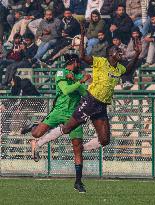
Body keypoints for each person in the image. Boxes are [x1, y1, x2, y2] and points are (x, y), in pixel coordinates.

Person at [27, 23, 141, 170]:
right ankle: (39, 143)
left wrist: (137, 54)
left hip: (102, 105)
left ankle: (81, 149)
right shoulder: (101, 62)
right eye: (117, 50)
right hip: (91, 100)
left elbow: (129, 69)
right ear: (110, 53)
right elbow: (82, 56)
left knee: (105, 140)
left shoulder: (119, 68)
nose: (120, 52)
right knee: (67, 128)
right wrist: (82, 36)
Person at [22, 53, 91, 193]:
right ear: (74, 62)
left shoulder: (77, 76)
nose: (80, 65)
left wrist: (87, 85)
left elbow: (85, 93)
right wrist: (80, 82)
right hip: (58, 111)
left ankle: (78, 182)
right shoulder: (61, 72)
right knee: (36, 134)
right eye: (78, 62)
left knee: (77, 148)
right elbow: (66, 90)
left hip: (74, 116)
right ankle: (33, 126)